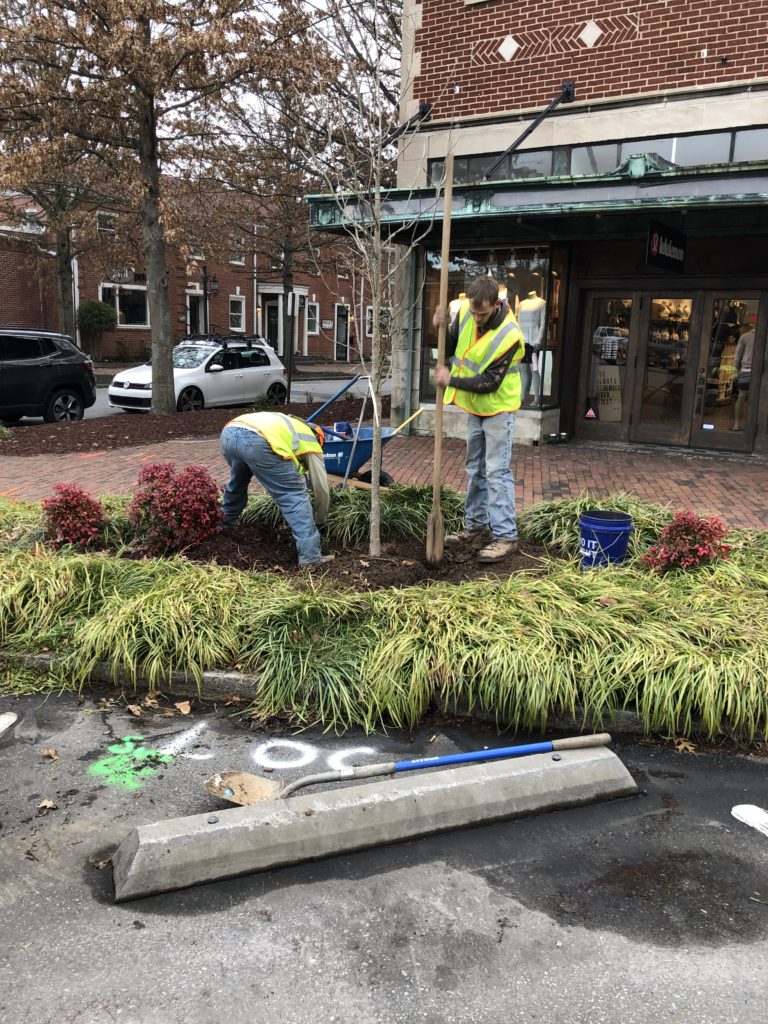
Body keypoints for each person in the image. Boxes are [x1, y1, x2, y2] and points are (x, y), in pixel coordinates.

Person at [433, 276, 525, 563]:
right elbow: (449, 347)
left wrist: (452, 380)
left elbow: (490, 382)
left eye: (482, 313)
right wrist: (437, 326)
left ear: (496, 304)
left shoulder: (510, 334)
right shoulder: (463, 312)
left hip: (498, 409)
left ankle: (505, 536)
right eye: (474, 312)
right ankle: (475, 527)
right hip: (475, 409)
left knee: (496, 471)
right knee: (474, 469)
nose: (477, 317)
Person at [219, 411, 334, 568]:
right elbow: (321, 488)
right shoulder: (311, 442)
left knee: (236, 486)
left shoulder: (291, 423)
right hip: (258, 442)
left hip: (229, 434)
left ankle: (221, 528)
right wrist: (321, 519)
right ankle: (311, 558)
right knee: (294, 496)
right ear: (319, 438)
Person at [732, 327, 755, 432]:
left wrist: (735, 370)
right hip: (748, 370)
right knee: (748, 398)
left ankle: (739, 423)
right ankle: (738, 423)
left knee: (743, 397)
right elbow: (737, 355)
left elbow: (737, 355)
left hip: (749, 370)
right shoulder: (745, 336)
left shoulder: (745, 336)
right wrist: (735, 370)